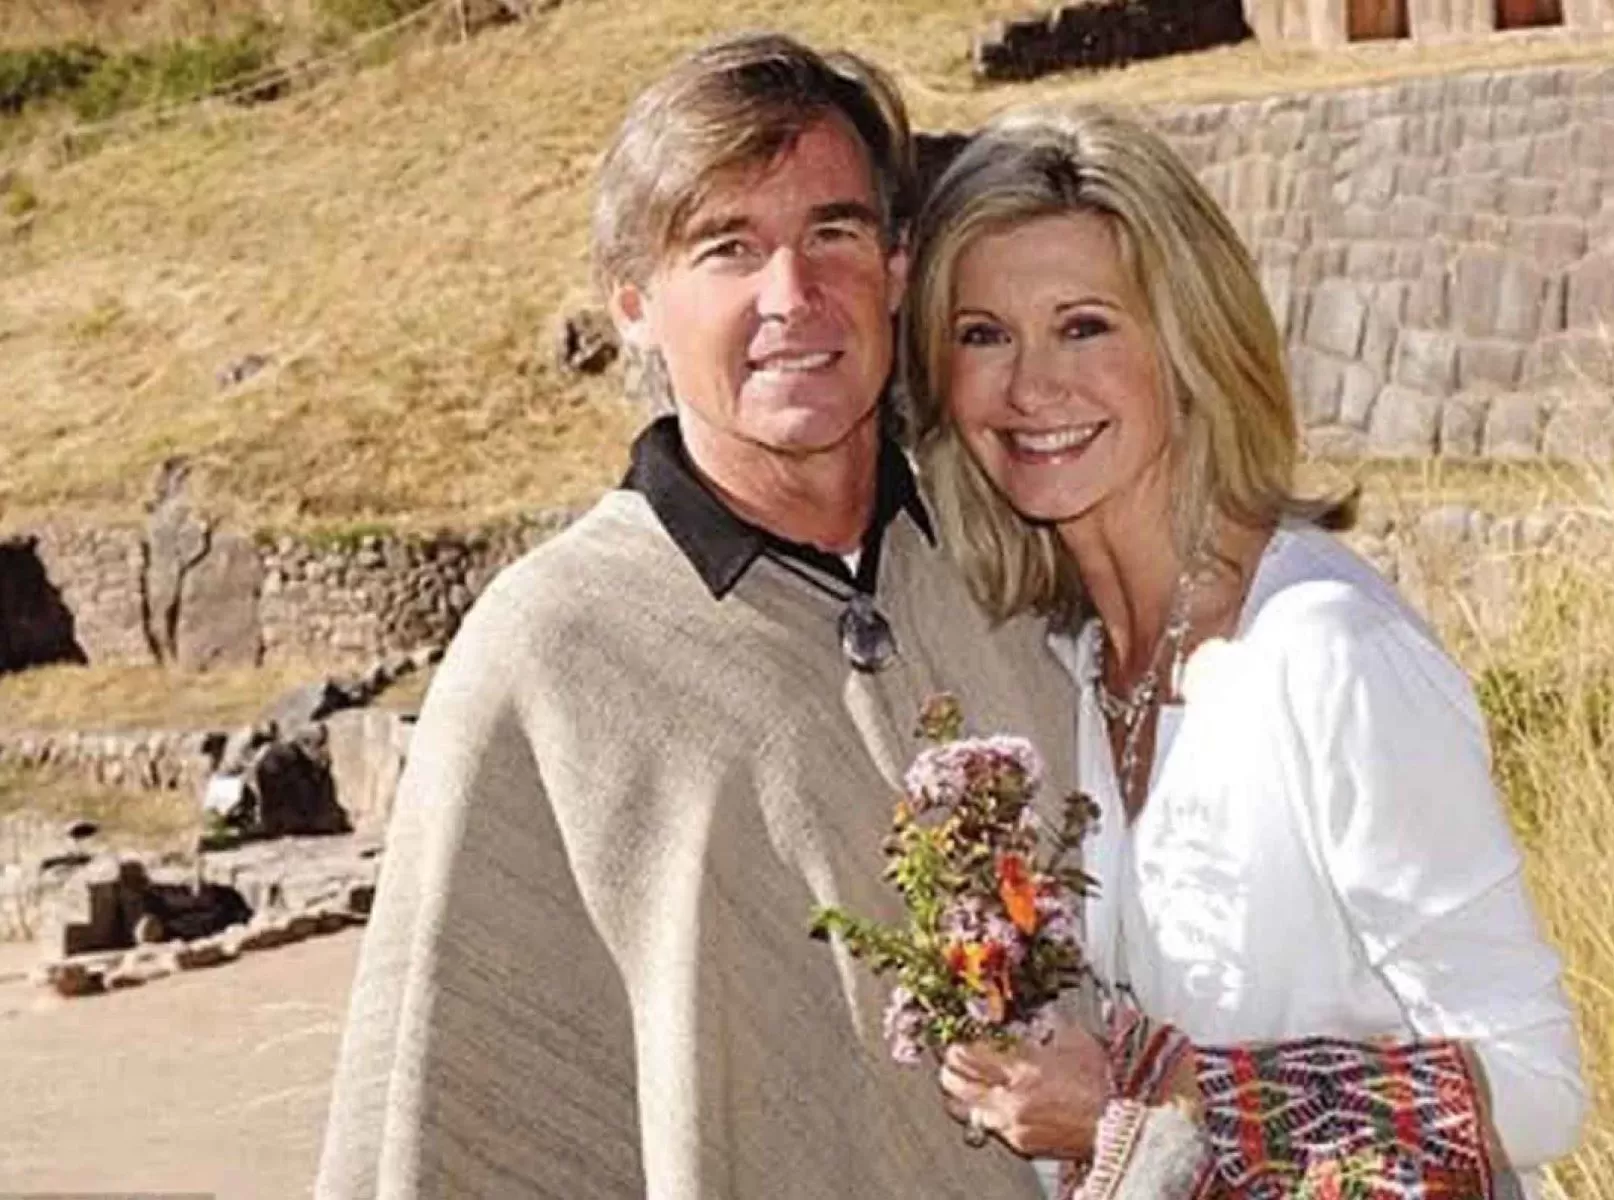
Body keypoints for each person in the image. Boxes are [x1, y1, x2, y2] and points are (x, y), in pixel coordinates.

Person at [313, 36, 1073, 1199]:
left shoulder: (1010, 563)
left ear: (897, 268)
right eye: (729, 248)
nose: (793, 295)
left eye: (833, 233)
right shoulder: (551, 650)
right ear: (635, 303)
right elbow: (453, 1115)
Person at [902, 107, 1588, 1198]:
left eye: (1084, 326)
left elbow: (1537, 1086)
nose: (1031, 387)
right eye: (983, 335)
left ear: (1190, 347)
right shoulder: (1069, 664)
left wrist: (1137, 1110)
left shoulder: (1324, 651)